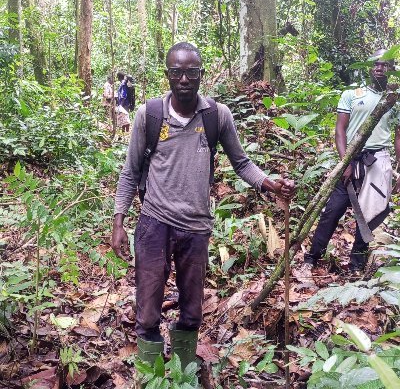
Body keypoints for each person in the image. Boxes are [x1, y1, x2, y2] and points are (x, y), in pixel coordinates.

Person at [111, 42, 295, 371]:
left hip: (196, 228)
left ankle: (183, 375)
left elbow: (242, 163)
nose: (184, 78)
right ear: (167, 75)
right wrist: (118, 223)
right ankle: (151, 376)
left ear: (201, 74)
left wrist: (271, 184)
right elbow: (130, 172)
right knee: (148, 307)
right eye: (177, 72)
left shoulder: (216, 116)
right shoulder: (149, 115)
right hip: (154, 222)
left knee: (192, 311)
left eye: (191, 72)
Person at [301, 49, 400, 277]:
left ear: (391, 69)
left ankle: (356, 266)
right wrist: (345, 162)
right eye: (376, 63)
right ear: (369, 67)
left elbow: (398, 137)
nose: (380, 67)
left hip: (379, 162)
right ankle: (311, 259)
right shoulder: (351, 94)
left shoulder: (394, 99)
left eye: (385, 64)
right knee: (332, 210)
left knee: (370, 215)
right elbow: (340, 129)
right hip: (353, 159)